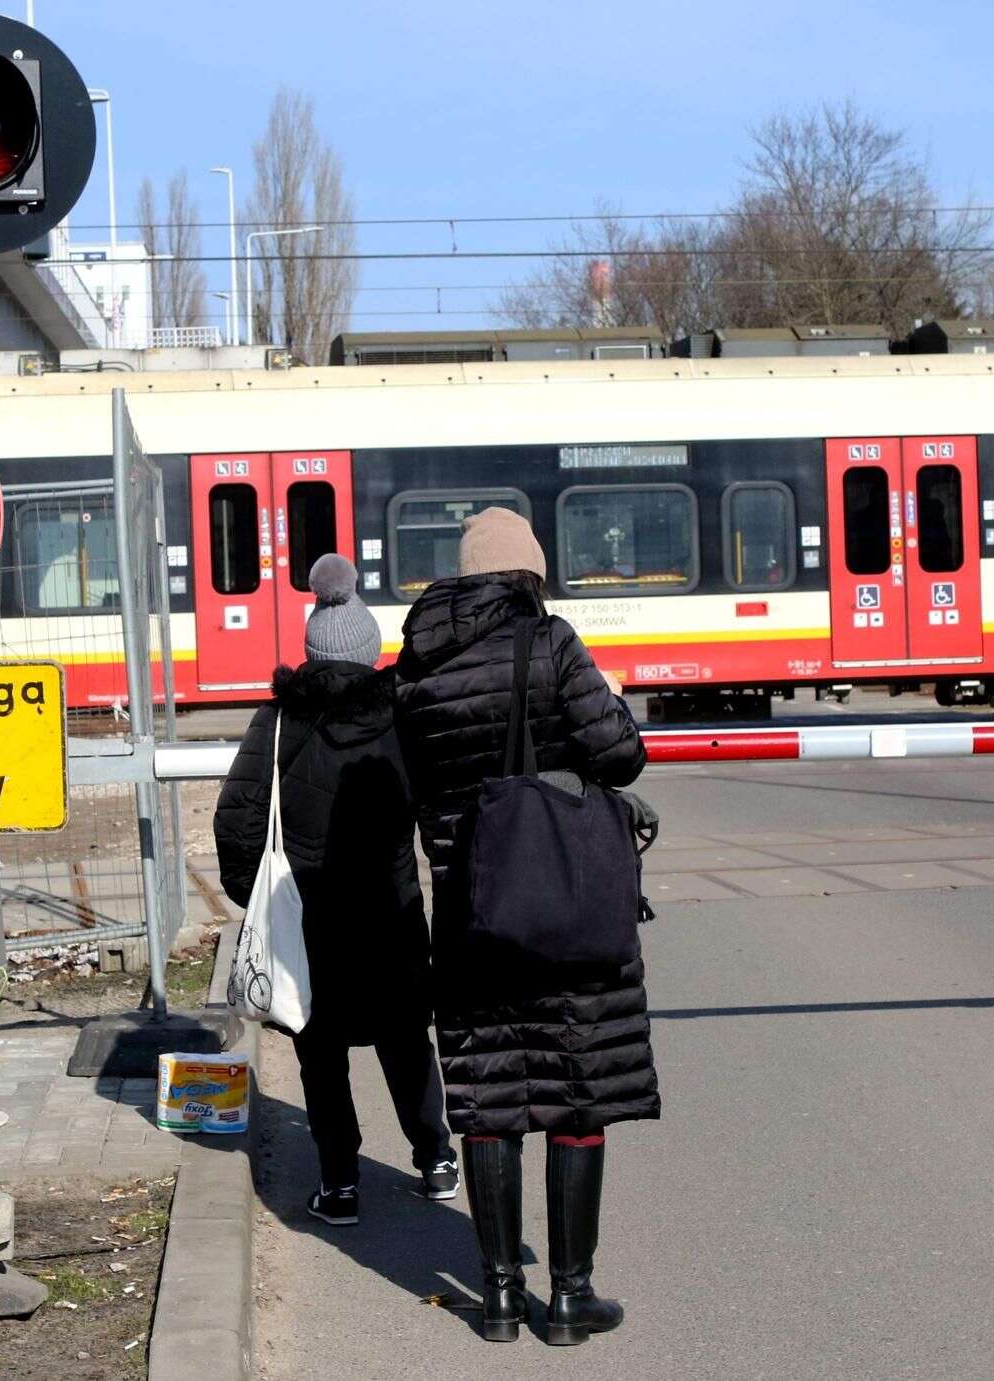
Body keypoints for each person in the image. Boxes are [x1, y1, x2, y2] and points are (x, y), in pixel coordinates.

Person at [393, 507, 657, 1346]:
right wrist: (608, 704)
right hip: (569, 903)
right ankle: (571, 1298)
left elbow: (410, 788)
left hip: (470, 910)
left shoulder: (416, 667)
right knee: (578, 1092)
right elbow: (619, 756)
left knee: (490, 1099)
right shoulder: (551, 644)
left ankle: (500, 1296)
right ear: (528, 575)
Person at [215, 553, 455, 1227]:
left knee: (318, 1053)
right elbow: (437, 809)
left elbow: (236, 819)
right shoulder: (403, 717)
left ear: (312, 651)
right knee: (407, 1039)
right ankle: (435, 1158)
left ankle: (340, 1183)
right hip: (392, 911)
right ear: (371, 651)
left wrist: (255, 895)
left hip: (309, 916)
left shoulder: (280, 721)